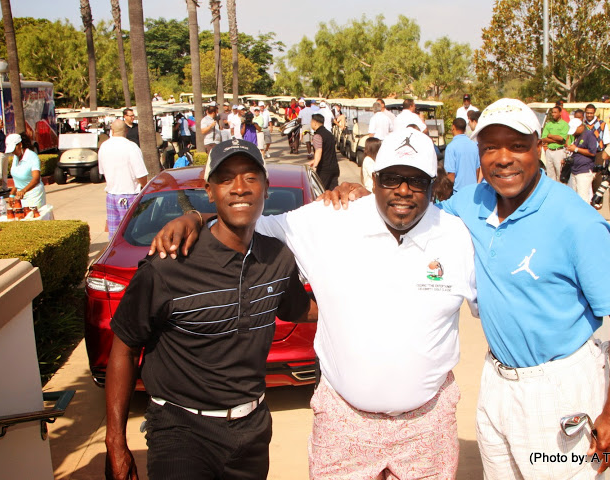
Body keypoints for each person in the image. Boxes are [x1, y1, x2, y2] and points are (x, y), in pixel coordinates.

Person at [324, 98, 610, 480]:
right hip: (496, 381)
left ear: (539, 148)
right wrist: (361, 194)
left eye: (517, 146)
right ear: (479, 152)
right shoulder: (472, 203)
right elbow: (418, 208)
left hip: (559, 387)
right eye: (491, 147)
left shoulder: (575, 220)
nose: (503, 158)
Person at [149, 128, 477, 480]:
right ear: (375, 177)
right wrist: (197, 218)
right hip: (344, 423)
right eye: (392, 178)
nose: (402, 190)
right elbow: (246, 219)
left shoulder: (457, 236)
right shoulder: (331, 219)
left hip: (427, 426)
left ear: (433, 183)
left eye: (416, 181)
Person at [105, 139, 311, 480]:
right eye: (226, 178)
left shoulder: (278, 258)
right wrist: (115, 442)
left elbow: (298, 309)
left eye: (251, 177)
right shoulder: (169, 264)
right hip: (181, 434)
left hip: (253, 433)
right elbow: (123, 349)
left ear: (266, 188)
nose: (240, 188)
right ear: (210, 191)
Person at [98, 120, 149, 239]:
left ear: (112, 130)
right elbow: (140, 173)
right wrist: (145, 186)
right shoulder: (131, 147)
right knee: (131, 233)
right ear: (126, 130)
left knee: (114, 235)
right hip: (129, 195)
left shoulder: (104, 146)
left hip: (111, 195)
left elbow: (102, 171)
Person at [6, 133, 46, 208]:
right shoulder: (16, 157)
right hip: (20, 195)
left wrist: (24, 190)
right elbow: (17, 179)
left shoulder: (32, 156)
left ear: (20, 145)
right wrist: (12, 194)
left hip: (34, 195)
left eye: (14, 149)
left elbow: (36, 179)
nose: (12, 152)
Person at [565, 118, 598, 202]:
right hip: (575, 170)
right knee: (573, 196)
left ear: (580, 127)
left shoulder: (589, 135)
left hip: (584, 170)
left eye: (575, 130)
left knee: (583, 197)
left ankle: (585, 214)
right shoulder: (577, 136)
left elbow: (592, 152)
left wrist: (576, 149)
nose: (574, 133)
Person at [444, 117, 481, 193]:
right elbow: (477, 169)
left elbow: (451, 174)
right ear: (465, 129)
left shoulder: (451, 147)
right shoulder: (474, 145)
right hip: (472, 191)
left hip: (458, 191)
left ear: (453, 127)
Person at [308, 113, 339, 190]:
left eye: (311, 122)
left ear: (315, 123)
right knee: (334, 192)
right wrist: (313, 161)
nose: (310, 123)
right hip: (334, 168)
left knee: (321, 192)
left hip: (324, 170)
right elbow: (327, 151)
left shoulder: (317, 136)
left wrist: (315, 166)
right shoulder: (329, 134)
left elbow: (319, 151)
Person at [541, 105, 570, 182]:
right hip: (549, 151)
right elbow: (544, 138)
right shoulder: (549, 124)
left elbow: (561, 138)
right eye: (552, 112)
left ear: (560, 113)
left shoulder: (564, 124)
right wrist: (555, 140)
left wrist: (550, 136)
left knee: (559, 173)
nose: (553, 114)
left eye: (555, 112)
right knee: (550, 174)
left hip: (559, 151)